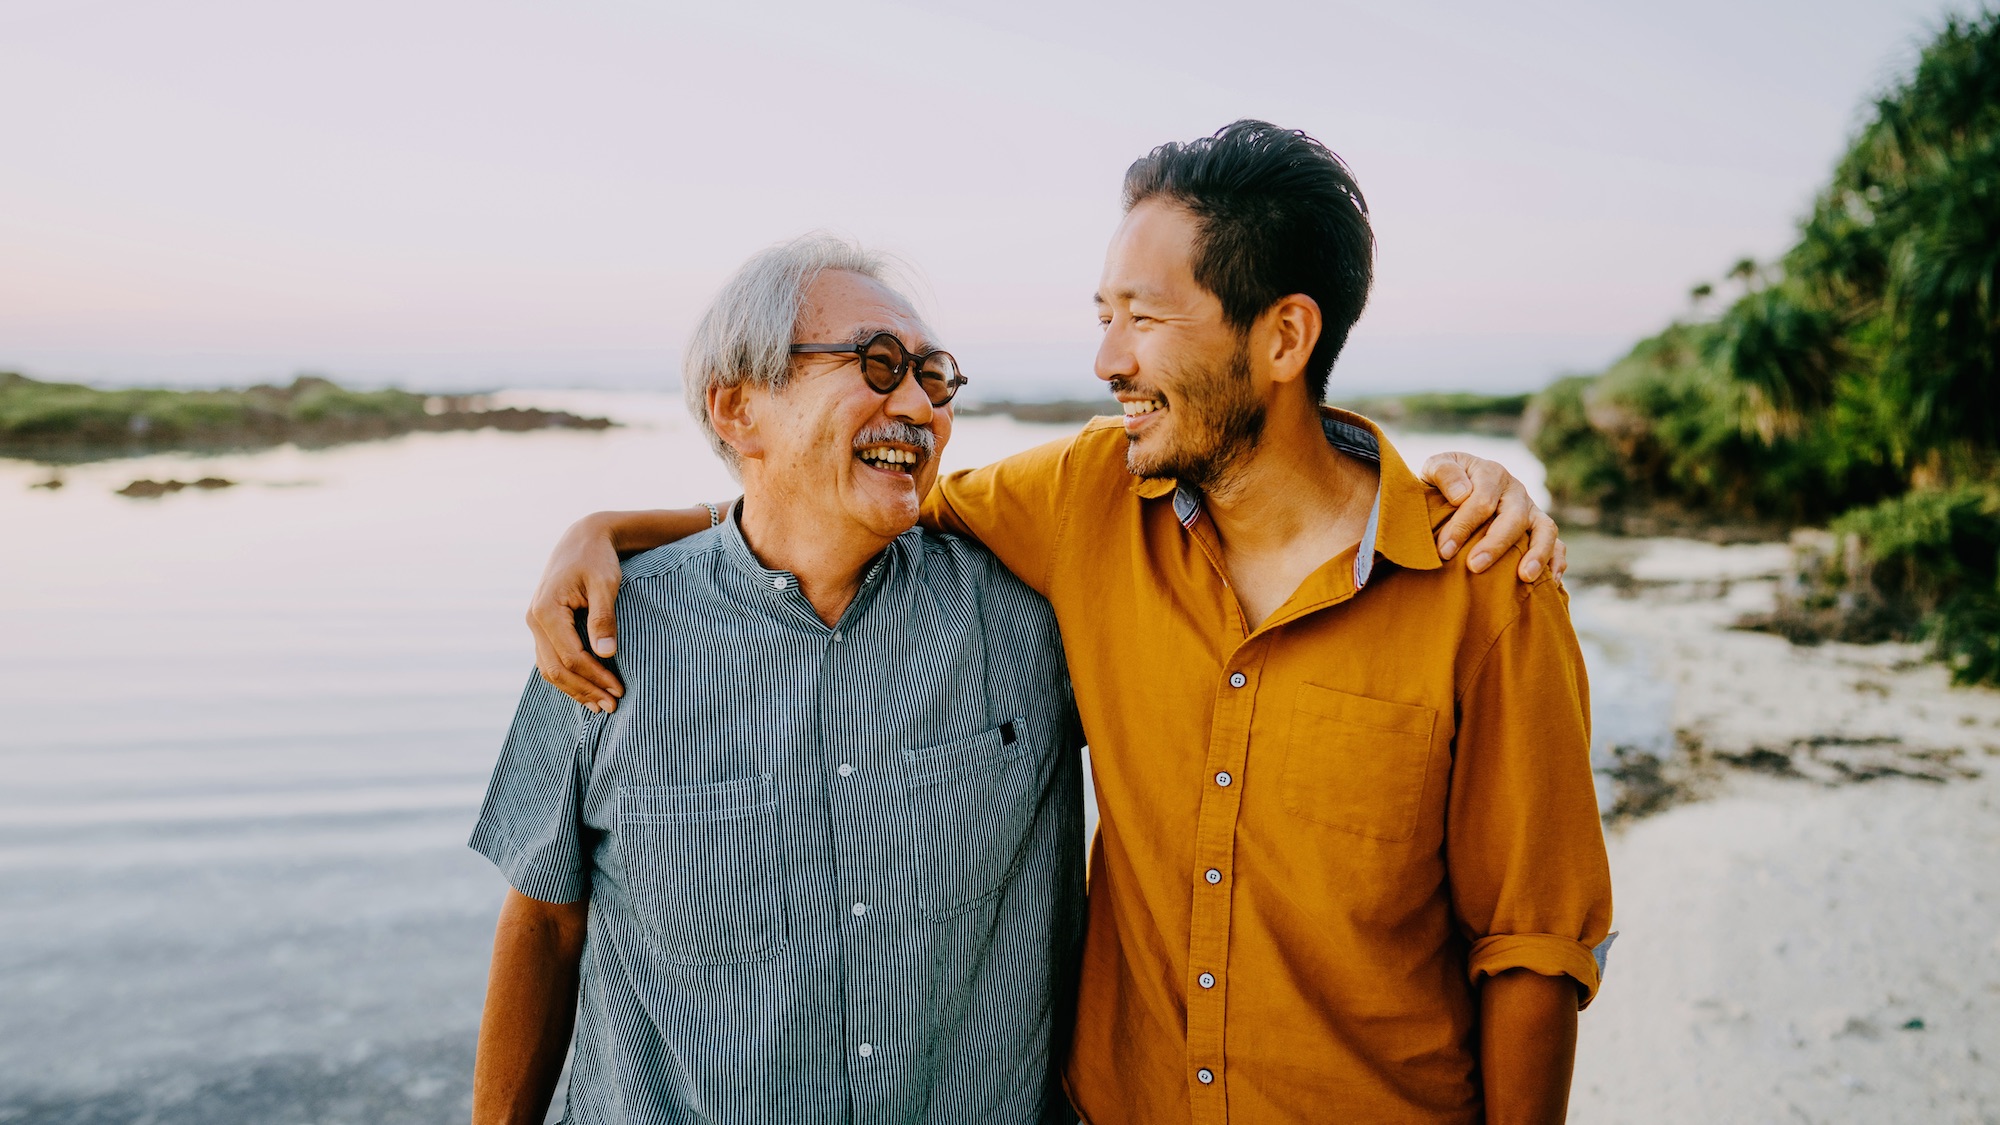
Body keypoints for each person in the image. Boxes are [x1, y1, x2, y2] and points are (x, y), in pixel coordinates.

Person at [529, 121, 1609, 1124]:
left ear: (1282, 336)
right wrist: (618, 528)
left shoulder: (1486, 585)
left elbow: (1529, 950)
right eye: (1104, 318)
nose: (1107, 362)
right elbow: (848, 499)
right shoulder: (1083, 496)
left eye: (1143, 318)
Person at [469, 238, 1088, 1124]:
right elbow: (542, 923)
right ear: (738, 408)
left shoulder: (1032, 623)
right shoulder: (606, 633)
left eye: (934, 375)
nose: (918, 403)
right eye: (876, 365)